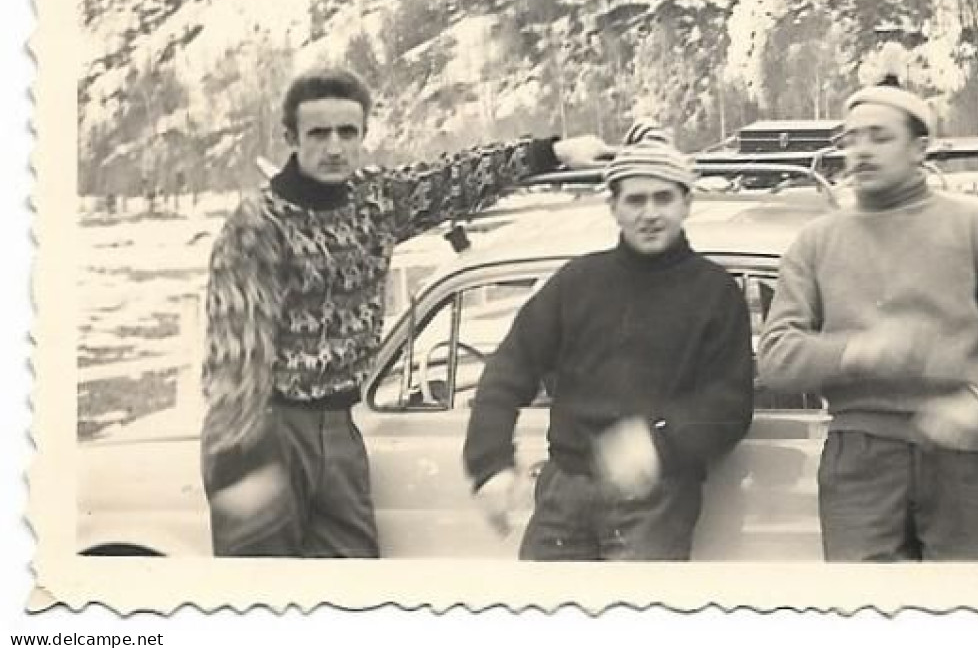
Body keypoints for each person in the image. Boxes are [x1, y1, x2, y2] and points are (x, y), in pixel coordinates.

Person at [200, 66, 608, 558]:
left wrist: (550, 152)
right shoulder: (257, 226)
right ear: (291, 137)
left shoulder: (375, 199)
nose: (334, 147)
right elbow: (233, 359)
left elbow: (453, 179)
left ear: (363, 134)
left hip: (340, 427)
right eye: (319, 133)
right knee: (261, 599)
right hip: (269, 426)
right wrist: (238, 463)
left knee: (351, 588)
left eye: (347, 132)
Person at [757, 77, 978, 561]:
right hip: (859, 459)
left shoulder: (971, 227)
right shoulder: (816, 241)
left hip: (963, 456)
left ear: (920, 148)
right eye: (850, 139)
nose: (861, 151)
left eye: (879, 136)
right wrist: (856, 350)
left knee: (968, 616)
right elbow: (774, 357)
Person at [462, 123, 754, 560]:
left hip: (657, 498)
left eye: (663, 198)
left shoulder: (715, 292)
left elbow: (730, 404)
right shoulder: (576, 282)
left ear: (687, 203)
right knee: (531, 620)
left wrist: (659, 442)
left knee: (634, 625)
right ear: (613, 206)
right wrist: (490, 463)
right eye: (635, 199)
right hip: (562, 491)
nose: (649, 213)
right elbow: (509, 368)